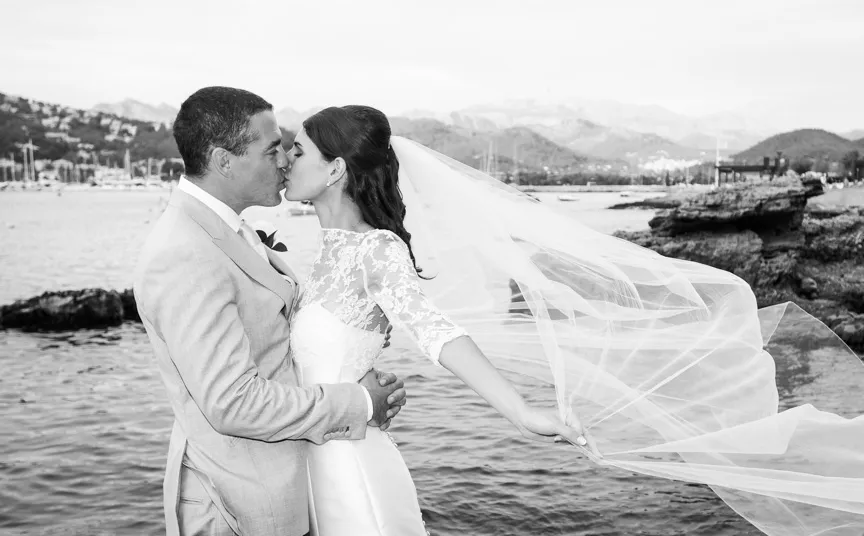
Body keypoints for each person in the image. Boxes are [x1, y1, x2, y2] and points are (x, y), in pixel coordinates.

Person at [283, 105, 597, 536]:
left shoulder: (375, 248)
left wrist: (521, 412)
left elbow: (435, 330)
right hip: (313, 459)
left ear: (335, 169)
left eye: (297, 152)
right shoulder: (326, 251)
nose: (285, 160)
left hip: (349, 469)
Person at [133, 88, 407, 536]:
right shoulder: (184, 252)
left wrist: (348, 335)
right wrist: (357, 403)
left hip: (292, 489)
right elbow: (234, 402)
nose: (284, 162)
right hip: (237, 506)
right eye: (272, 149)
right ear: (224, 161)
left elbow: (272, 338)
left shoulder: (228, 230)